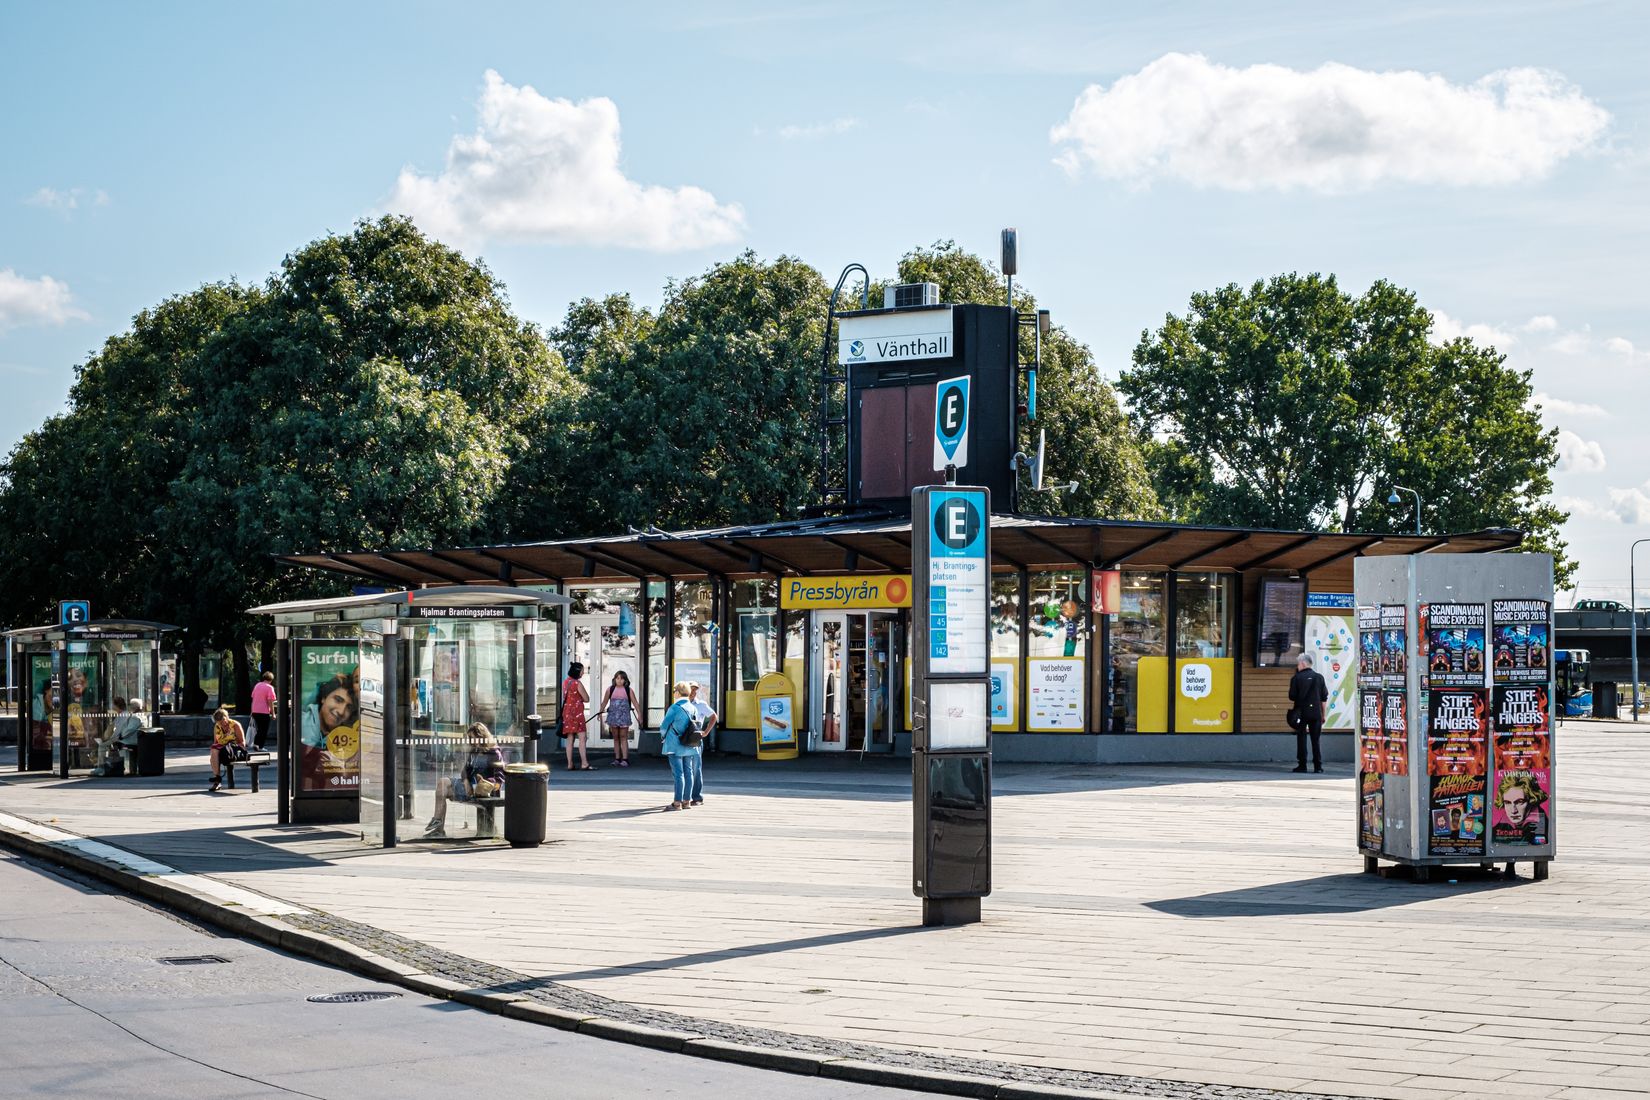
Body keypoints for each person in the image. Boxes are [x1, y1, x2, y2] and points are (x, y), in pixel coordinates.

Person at [423, 722, 506, 838]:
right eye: (470, 739)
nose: (472, 742)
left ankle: (438, 826)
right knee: (442, 785)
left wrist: (485, 783)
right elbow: (465, 770)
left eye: (473, 739)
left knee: (444, 786)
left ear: (481, 737)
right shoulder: (475, 751)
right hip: (470, 788)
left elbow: (499, 779)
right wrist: (466, 781)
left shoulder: (494, 753)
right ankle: (438, 824)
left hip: (484, 790)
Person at [299, 673, 359, 789]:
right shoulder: (303, 723)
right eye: (338, 700)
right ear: (323, 698)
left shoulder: (346, 736)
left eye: (349, 707)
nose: (341, 711)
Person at [659, 681, 702, 811]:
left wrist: (663, 737)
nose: (674, 694)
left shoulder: (674, 708)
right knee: (688, 772)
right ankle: (686, 801)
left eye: (674, 691)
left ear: (678, 692)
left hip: (674, 744)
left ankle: (677, 802)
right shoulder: (693, 707)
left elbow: (664, 726)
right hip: (689, 744)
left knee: (678, 774)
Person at [1288, 653, 1329, 773]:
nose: (1298, 666)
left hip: (1301, 713)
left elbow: (1291, 696)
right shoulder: (1319, 677)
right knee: (1316, 740)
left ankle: (1302, 765)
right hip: (1316, 713)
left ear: (1302, 663)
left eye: (1298, 663)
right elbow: (1324, 698)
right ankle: (1318, 766)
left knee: (1301, 738)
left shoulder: (1296, 678)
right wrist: (1323, 714)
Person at [561, 662, 593, 771]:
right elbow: (586, 698)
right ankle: (584, 763)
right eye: (582, 670)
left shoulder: (566, 682)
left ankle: (570, 763)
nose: (583, 672)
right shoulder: (577, 683)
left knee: (570, 738)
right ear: (577, 671)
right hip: (577, 713)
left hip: (567, 712)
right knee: (582, 738)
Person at [600, 670, 635, 768]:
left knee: (623, 737)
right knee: (615, 738)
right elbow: (604, 702)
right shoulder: (610, 689)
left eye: (622, 678)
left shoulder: (628, 690)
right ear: (614, 679)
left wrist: (640, 715)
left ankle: (625, 759)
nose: (619, 680)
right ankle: (617, 758)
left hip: (624, 717)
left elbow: (635, 703)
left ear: (625, 680)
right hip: (613, 717)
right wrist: (600, 712)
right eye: (617, 678)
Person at [208, 706, 246, 792]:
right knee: (214, 750)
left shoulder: (235, 725)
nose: (222, 724)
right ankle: (217, 779)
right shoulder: (217, 727)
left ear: (227, 717)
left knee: (215, 754)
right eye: (219, 723)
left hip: (234, 750)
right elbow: (216, 742)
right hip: (223, 751)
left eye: (223, 721)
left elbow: (242, 743)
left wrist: (229, 745)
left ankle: (217, 781)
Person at [689, 681, 718, 762]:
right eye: (691, 689)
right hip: (682, 737)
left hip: (695, 738)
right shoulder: (680, 704)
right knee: (685, 766)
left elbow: (713, 716)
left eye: (695, 690)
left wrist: (706, 732)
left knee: (695, 766)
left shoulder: (701, 704)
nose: (693, 692)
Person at [250, 671, 277, 750]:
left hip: (255, 711)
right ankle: (260, 746)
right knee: (263, 730)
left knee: (258, 729)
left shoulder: (257, 685)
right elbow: (270, 701)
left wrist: (252, 710)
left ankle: (256, 744)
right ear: (271, 680)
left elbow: (253, 697)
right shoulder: (270, 687)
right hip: (264, 711)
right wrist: (273, 713)